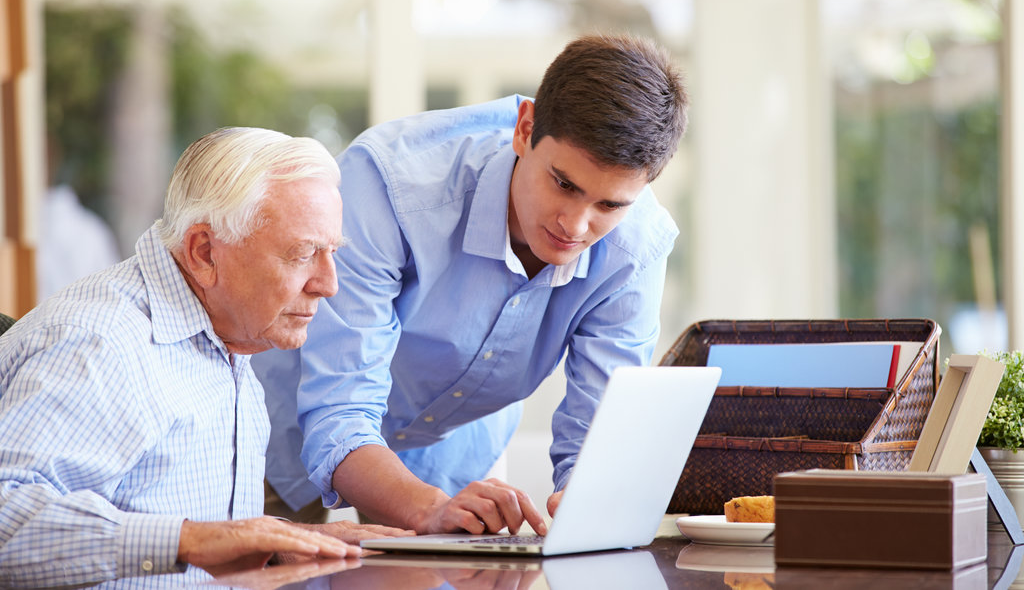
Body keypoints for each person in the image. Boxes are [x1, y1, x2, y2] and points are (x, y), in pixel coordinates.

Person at [253, 33, 688, 535]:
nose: (574, 224)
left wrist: (589, 505)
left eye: (609, 205)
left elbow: (600, 430)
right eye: (563, 184)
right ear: (525, 129)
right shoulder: (389, 185)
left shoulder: (637, 248)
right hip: (284, 434)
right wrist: (424, 508)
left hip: (452, 456)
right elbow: (340, 412)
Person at [0, 127, 407, 589]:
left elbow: (179, 520)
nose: (328, 284)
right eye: (302, 254)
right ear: (204, 252)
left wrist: (284, 538)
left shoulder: (226, 336)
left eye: (331, 253)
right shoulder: (101, 344)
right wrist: (187, 541)